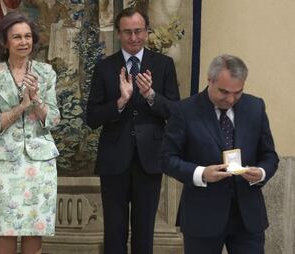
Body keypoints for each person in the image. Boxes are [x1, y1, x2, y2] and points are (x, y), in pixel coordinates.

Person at [161, 54, 279, 254]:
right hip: (202, 217)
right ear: (210, 80)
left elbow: (269, 156)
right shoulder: (184, 111)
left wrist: (260, 173)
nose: (230, 99)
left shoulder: (255, 107)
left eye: (237, 92)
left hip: (248, 218)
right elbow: (166, 159)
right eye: (224, 92)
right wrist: (201, 173)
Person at [86, 7, 180, 254]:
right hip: (114, 158)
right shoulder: (105, 67)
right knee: (114, 231)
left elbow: (175, 112)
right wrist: (120, 102)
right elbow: (92, 117)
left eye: (138, 31)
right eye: (127, 32)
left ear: (147, 32)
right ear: (118, 34)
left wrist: (150, 95)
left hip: (149, 159)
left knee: (144, 230)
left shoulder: (163, 65)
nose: (133, 37)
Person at [0, 12, 60, 254]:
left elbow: (54, 119)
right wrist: (22, 106)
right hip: (5, 161)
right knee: (6, 228)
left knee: (35, 229)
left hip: (40, 162)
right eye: (17, 37)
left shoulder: (46, 73)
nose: (24, 42)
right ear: (5, 42)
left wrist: (35, 100)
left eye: (27, 36)